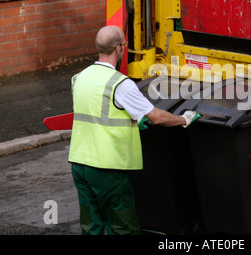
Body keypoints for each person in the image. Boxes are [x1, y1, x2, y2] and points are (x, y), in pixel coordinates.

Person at [68, 25, 199, 235]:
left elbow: (97, 111)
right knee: (123, 228)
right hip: (106, 168)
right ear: (119, 49)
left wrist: (130, 119)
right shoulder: (119, 84)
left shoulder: (80, 78)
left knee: (92, 226)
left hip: (79, 164)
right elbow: (156, 117)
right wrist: (182, 119)